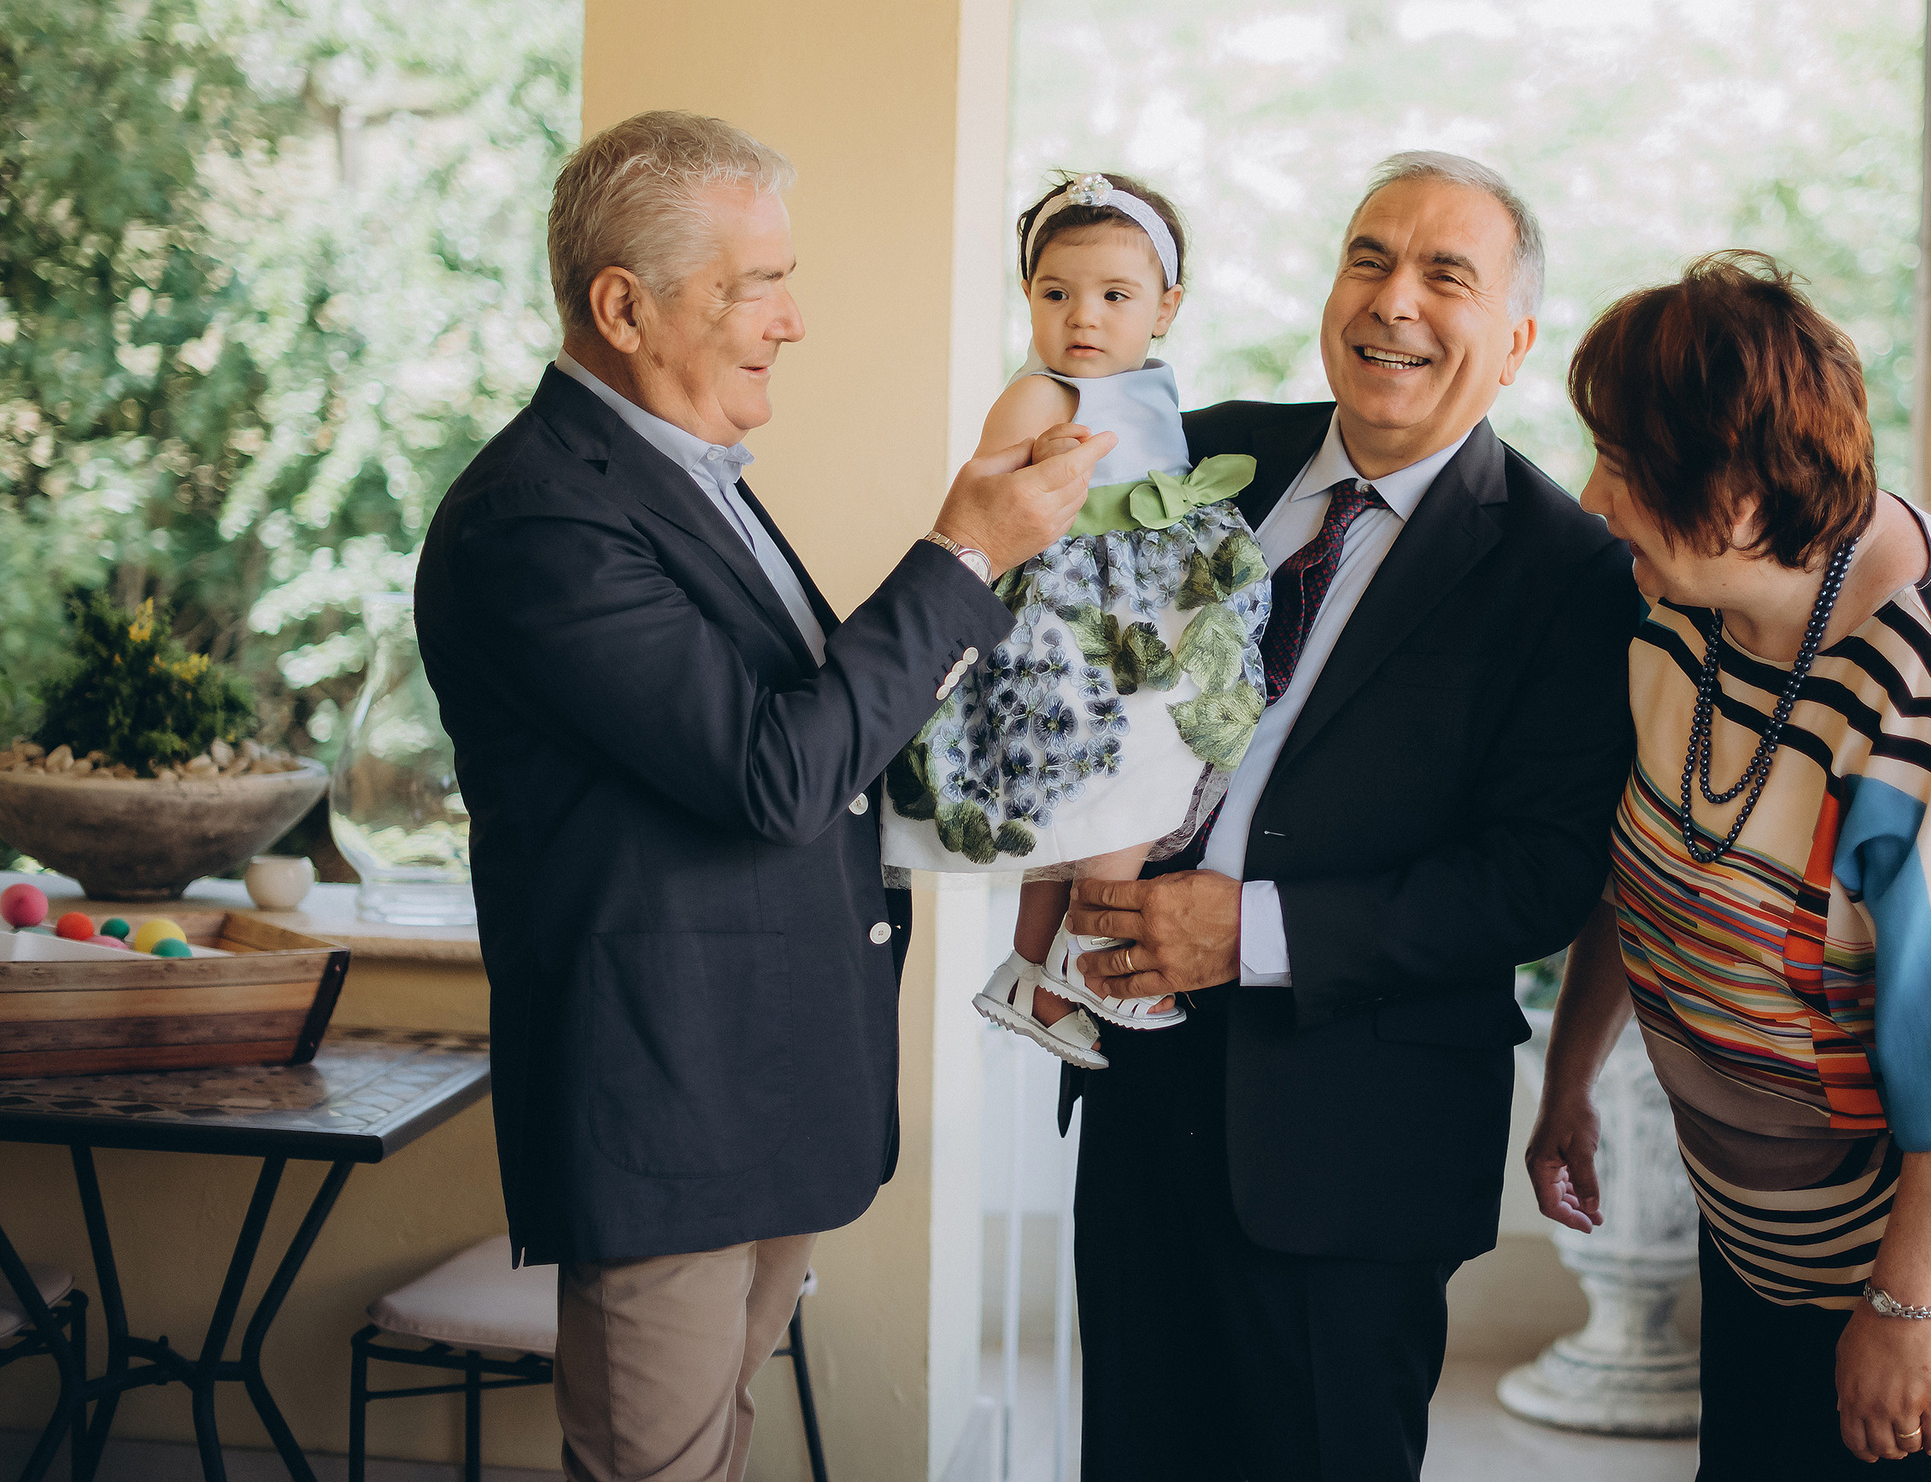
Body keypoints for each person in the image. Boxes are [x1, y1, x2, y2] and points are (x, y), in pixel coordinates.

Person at [413, 110, 1111, 1482]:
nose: (791, 321)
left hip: (762, 1086)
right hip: (661, 1108)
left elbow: (823, 733)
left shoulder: (690, 482)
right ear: (623, 306)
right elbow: (776, 773)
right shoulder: (538, 518)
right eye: (756, 284)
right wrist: (962, 551)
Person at [1056, 151, 1641, 1482]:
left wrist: (1249, 932)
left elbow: (1537, 877)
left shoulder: (1569, 574)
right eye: (1370, 258)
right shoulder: (1200, 454)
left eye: (1449, 275)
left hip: (1354, 1141)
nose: (1396, 302)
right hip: (1142, 1094)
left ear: (1516, 339)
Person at [1524, 252, 1931, 1480]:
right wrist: (1570, 1076)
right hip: (1774, 1209)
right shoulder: (1686, 598)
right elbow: (1654, 857)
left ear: (1746, 494)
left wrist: (1908, 1309)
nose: (1594, 499)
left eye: (1625, 467)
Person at [883, 171, 1270, 1068]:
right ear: (1029, 297)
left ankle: (1034, 970)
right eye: (1056, 294)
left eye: (1114, 296)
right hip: (1082, 616)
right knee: (1139, 765)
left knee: (1112, 789)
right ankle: (1091, 953)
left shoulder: (1149, 386)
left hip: (1145, 600)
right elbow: (978, 503)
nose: (1083, 318)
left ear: (1165, 307)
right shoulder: (1042, 394)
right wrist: (1037, 459)